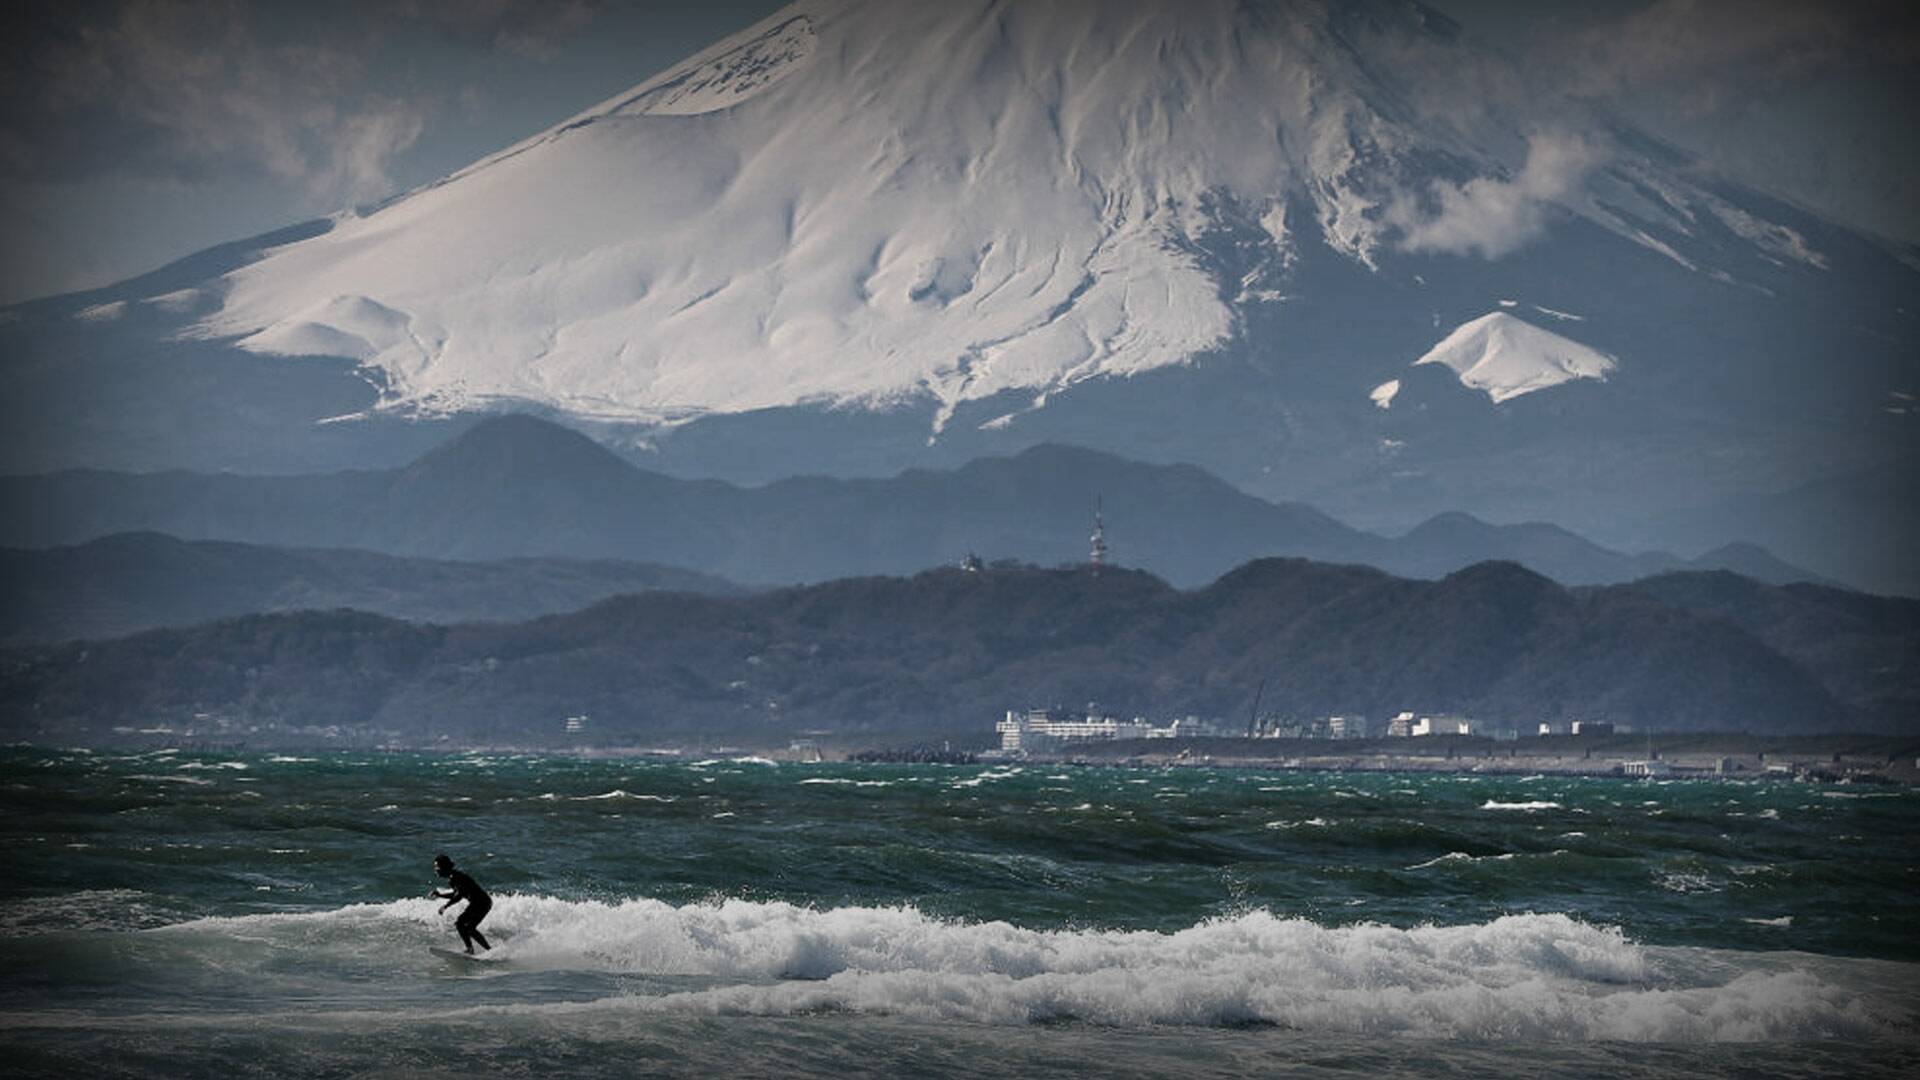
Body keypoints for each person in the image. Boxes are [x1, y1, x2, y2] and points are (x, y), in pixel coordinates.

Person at [430, 853, 492, 953]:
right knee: (469, 928)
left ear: (444, 867)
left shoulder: (456, 877)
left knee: (460, 924)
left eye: (437, 867)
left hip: (481, 903)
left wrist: (446, 906)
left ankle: (471, 949)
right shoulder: (452, 878)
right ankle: (487, 950)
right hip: (480, 902)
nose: (436, 870)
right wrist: (440, 895)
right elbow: (456, 894)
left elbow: (459, 895)